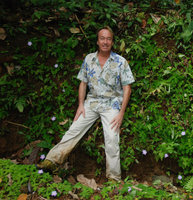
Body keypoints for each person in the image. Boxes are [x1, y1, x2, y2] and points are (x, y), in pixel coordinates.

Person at [38, 26, 135, 181]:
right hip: (91, 102)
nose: (105, 42)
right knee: (74, 129)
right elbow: (83, 83)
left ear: (112, 41)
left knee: (111, 138)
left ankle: (114, 178)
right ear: (97, 41)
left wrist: (121, 113)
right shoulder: (89, 59)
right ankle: (52, 161)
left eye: (108, 38)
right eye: (102, 38)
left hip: (112, 104)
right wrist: (81, 105)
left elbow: (127, 88)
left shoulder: (120, 62)